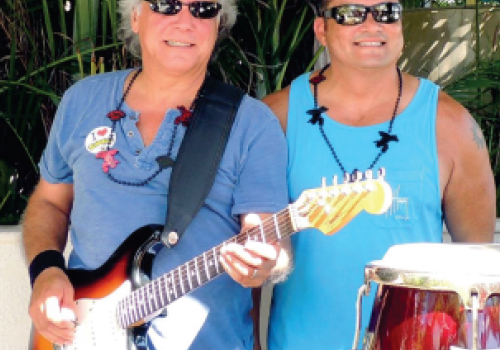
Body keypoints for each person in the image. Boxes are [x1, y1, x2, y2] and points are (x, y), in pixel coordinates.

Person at [22, 1, 292, 349]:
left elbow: (267, 237)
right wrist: (45, 271)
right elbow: (49, 203)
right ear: (135, 17)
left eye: (203, 9)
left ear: (218, 24)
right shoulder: (81, 101)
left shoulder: (252, 124)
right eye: (167, 5)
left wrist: (265, 264)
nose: (185, 22)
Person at [263, 0, 496, 349]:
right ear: (321, 29)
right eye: (351, 14)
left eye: (387, 12)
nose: (372, 25)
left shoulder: (452, 126)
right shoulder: (274, 119)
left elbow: (480, 278)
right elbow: (249, 250)